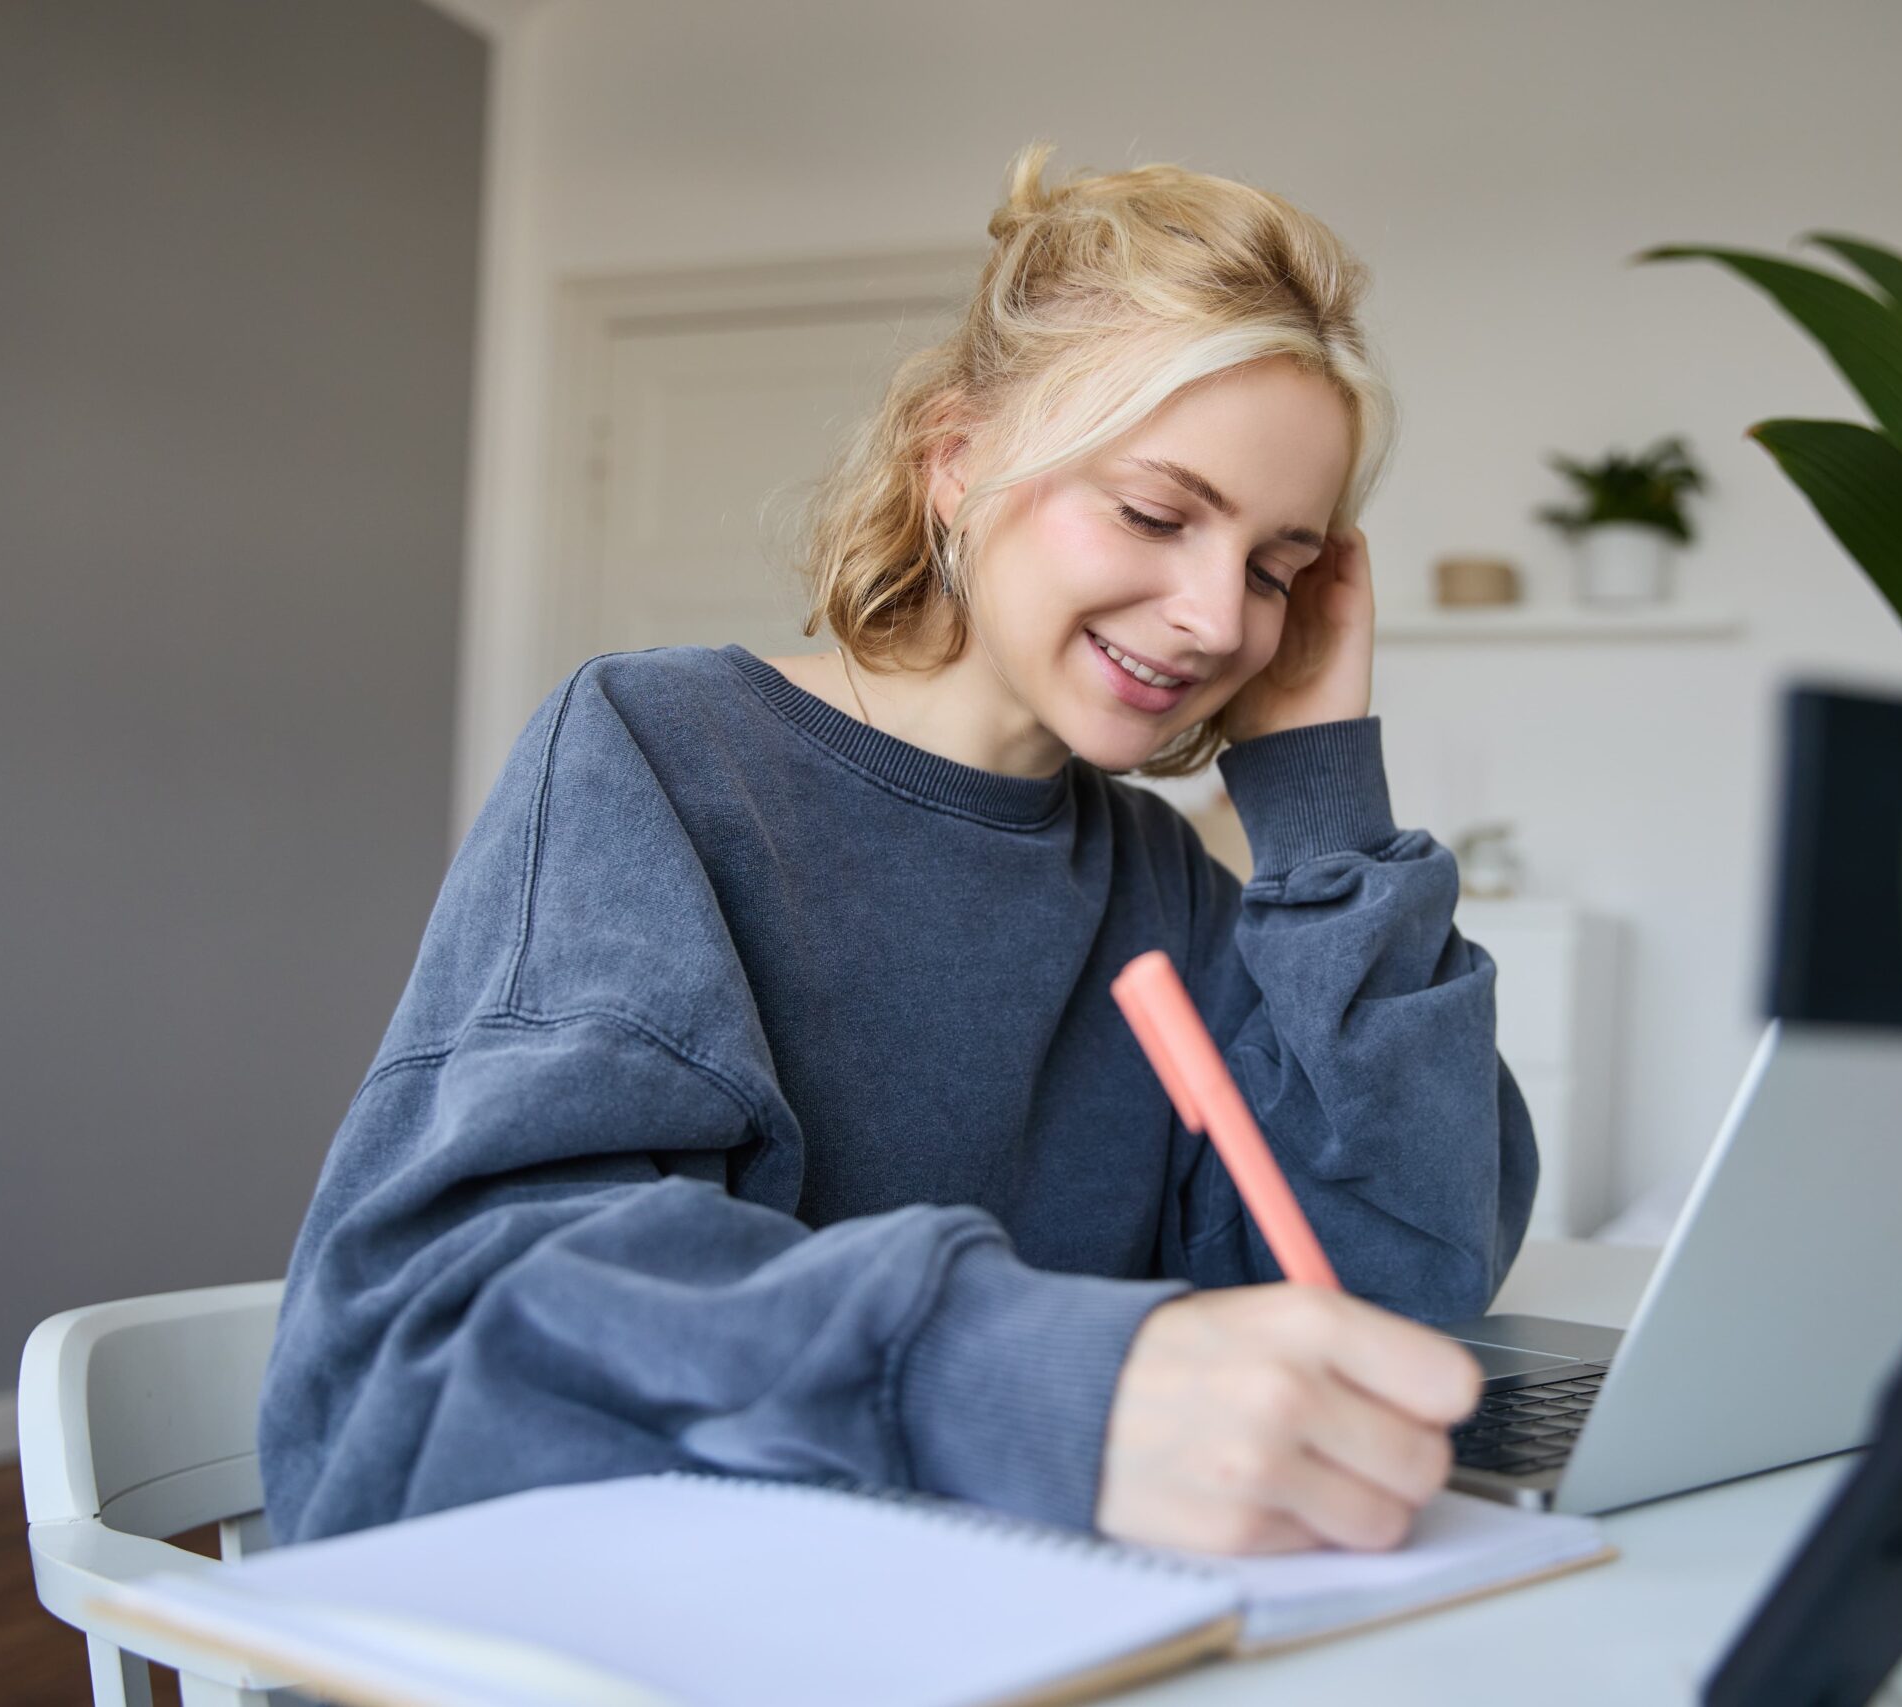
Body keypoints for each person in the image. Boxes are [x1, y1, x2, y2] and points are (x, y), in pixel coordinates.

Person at [257, 140, 1537, 1559]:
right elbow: (486, 1305)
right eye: (1157, 514)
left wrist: (1324, 795)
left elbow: (1401, 1288)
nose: (1217, 619)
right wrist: (1028, 1378)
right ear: (958, 459)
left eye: (1277, 569)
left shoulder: (1165, 884)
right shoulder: (661, 752)